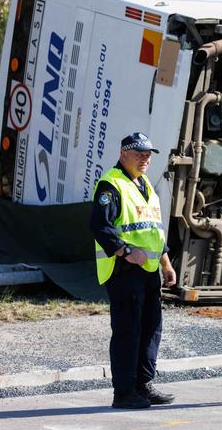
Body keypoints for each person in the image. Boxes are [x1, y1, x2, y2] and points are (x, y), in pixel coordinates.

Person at [90, 132, 177, 410]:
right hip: (124, 270)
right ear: (123, 153)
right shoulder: (111, 184)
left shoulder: (145, 185)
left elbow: (154, 229)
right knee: (128, 331)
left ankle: (143, 384)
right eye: (139, 153)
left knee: (151, 329)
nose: (145, 159)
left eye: (149, 154)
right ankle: (125, 392)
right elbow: (100, 227)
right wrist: (126, 252)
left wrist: (166, 262)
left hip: (149, 271)